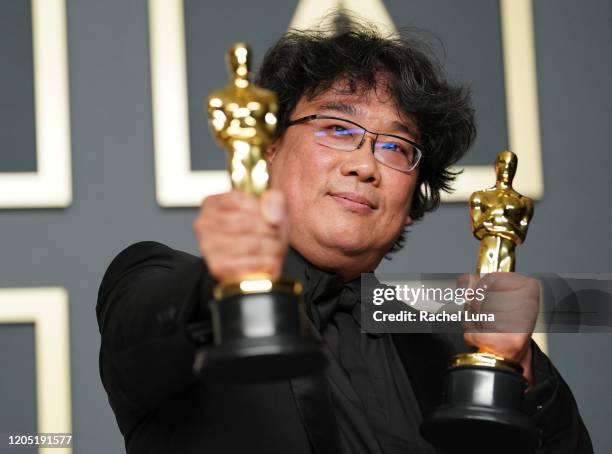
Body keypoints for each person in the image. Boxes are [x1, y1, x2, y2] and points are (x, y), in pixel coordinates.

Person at [96, 20, 593, 454]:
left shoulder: (448, 348)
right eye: (336, 128)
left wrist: (521, 368)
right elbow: (147, 328)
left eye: (396, 147)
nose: (363, 165)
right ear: (268, 149)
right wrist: (224, 278)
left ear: (413, 202)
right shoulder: (159, 281)